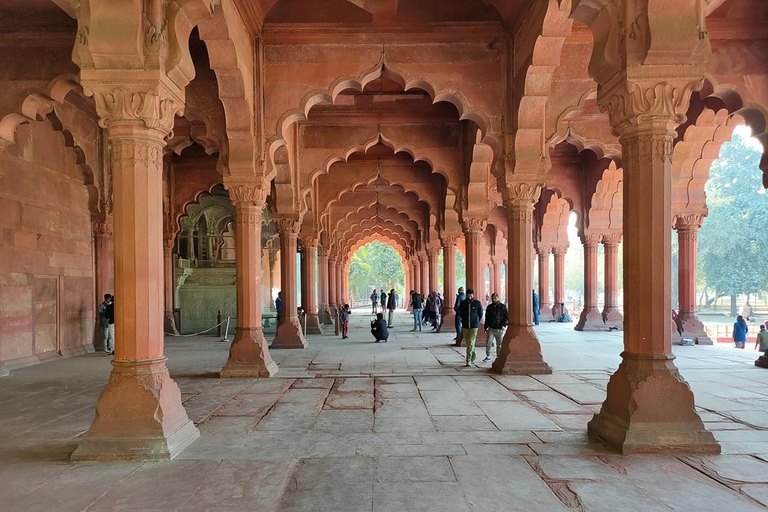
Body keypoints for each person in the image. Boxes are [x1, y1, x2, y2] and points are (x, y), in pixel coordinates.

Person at [458, 289, 483, 366]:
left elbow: (480, 313)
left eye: (470, 296)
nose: (469, 297)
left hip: (474, 326)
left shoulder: (477, 303)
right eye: (468, 296)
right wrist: (463, 319)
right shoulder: (463, 303)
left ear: (473, 295)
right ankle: (473, 354)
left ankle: (468, 360)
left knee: (471, 342)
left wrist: (476, 320)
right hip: (465, 325)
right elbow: (459, 312)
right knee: (468, 342)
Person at [482, 293, 508, 362]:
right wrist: (485, 327)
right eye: (493, 298)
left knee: (499, 344)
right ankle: (488, 356)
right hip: (491, 328)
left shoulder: (502, 307)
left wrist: (504, 325)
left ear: (498, 298)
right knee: (488, 342)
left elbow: (506, 317)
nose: (494, 299)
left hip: (499, 328)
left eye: (495, 298)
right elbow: (487, 318)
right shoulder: (489, 307)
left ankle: (498, 356)